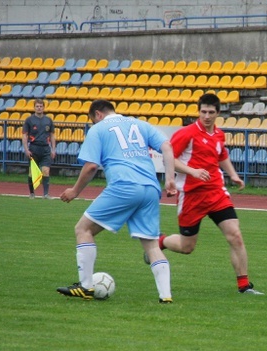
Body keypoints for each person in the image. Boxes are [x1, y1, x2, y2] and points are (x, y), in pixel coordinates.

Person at [56, 99, 177, 303]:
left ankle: (86, 287)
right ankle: (166, 297)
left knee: (83, 229)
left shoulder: (98, 129)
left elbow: (91, 166)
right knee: (151, 244)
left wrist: (75, 190)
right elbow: (167, 146)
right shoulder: (140, 124)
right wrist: (171, 179)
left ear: (98, 115)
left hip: (124, 186)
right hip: (150, 188)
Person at [153, 92, 263, 295]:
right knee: (187, 247)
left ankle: (244, 286)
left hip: (216, 193)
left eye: (211, 112)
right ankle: (160, 242)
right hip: (191, 196)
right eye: (203, 112)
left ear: (218, 113)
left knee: (235, 235)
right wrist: (192, 171)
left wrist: (233, 175)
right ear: (199, 111)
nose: (207, 116)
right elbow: (169, 158)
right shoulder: (187, 133)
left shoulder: (219, 135)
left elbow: (222, 156)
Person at [22, 98, 56, 198]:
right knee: (31, 172)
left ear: (44, 107)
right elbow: (24, 135)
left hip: (45, 148)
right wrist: (26, 149)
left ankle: (45, 194)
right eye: (37, 106)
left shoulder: (48, 120)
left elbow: (52, 135)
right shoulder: (29, 120)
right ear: (34, 108)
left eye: (41, 106)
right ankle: (32, 193)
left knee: (46, 171)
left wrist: (53, 149)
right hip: (34, 148)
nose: (39, 108)